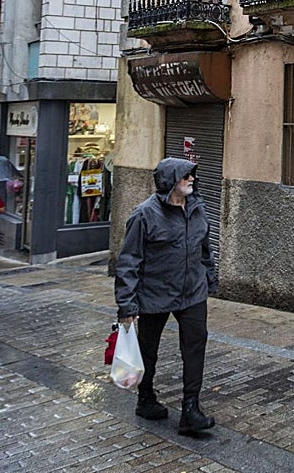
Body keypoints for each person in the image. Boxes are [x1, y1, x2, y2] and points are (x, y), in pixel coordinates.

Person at [115, 158, 218, 436]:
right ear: (169, 181)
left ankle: (190, 409)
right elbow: (128, 262)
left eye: (192, 175)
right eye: (186, 176)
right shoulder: (144, 215)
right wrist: (126, 304)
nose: (192, 180)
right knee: (148, 348)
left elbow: (204, 247)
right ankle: (145, 398)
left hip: (192, 291)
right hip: (155, 293)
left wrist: (209, 276)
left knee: (195, 346)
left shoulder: (197, 208)